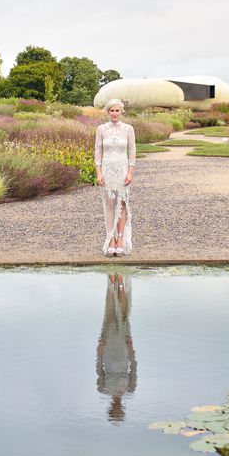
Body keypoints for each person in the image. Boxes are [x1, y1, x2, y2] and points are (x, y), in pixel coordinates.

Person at [94, 99, 136, 256]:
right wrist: (99, 172)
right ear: (108, 112)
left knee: (122, 204)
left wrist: (130, 172)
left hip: (123, 169)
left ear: (121, 112)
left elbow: (132, 151)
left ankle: (120, 239)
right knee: (109, 205)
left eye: (117, 110)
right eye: (111, 110)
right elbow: (98, 151)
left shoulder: (128, 129)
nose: (114, 113)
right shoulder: (101, 129)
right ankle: (110, 238)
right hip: (107, 169)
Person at [96, 273, 137, 422]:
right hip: (123, 352)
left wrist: (99, 353)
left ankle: (114, 282)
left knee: (110, 317)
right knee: (123, 317)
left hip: (109, 352)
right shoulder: (130, 389)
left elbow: (99, 370)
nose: (118, 409)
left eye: (116, 411)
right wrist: (132, 352)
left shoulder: (103, 389)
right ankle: (119, 283)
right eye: (119, 411)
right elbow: (134, 369)